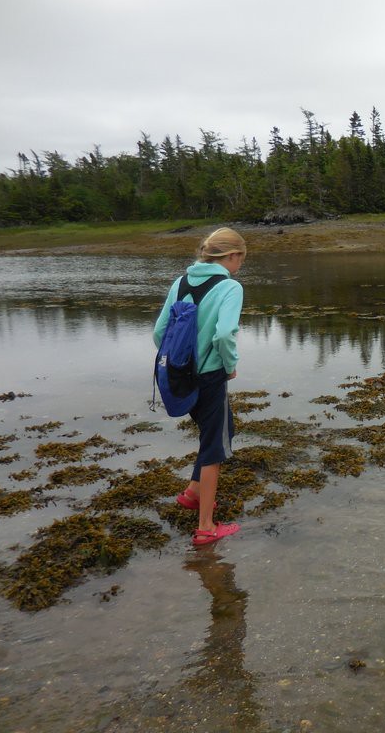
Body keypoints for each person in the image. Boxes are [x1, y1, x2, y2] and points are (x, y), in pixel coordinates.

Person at [153, 227, 247, 545]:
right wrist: (229, 366)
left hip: (181, 374)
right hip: (210, 376)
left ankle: (193, 493)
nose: (240, 267)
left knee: (222, 429)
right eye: (240, 260)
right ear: (232, 256)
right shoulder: (230, 287)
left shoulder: (180, 282)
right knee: (214, 449)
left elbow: (159, 332)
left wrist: (179, 361)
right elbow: (223, 334)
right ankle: (206, 527)